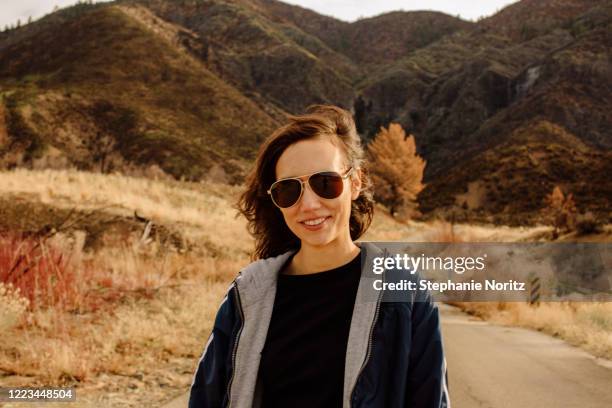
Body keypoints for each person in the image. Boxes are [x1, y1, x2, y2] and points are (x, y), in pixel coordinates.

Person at [188, 105, 450, 408]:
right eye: (288, 190)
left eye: (325, 183)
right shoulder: (248, 294)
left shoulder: (404, 293)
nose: (309, 204)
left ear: (355, 182)